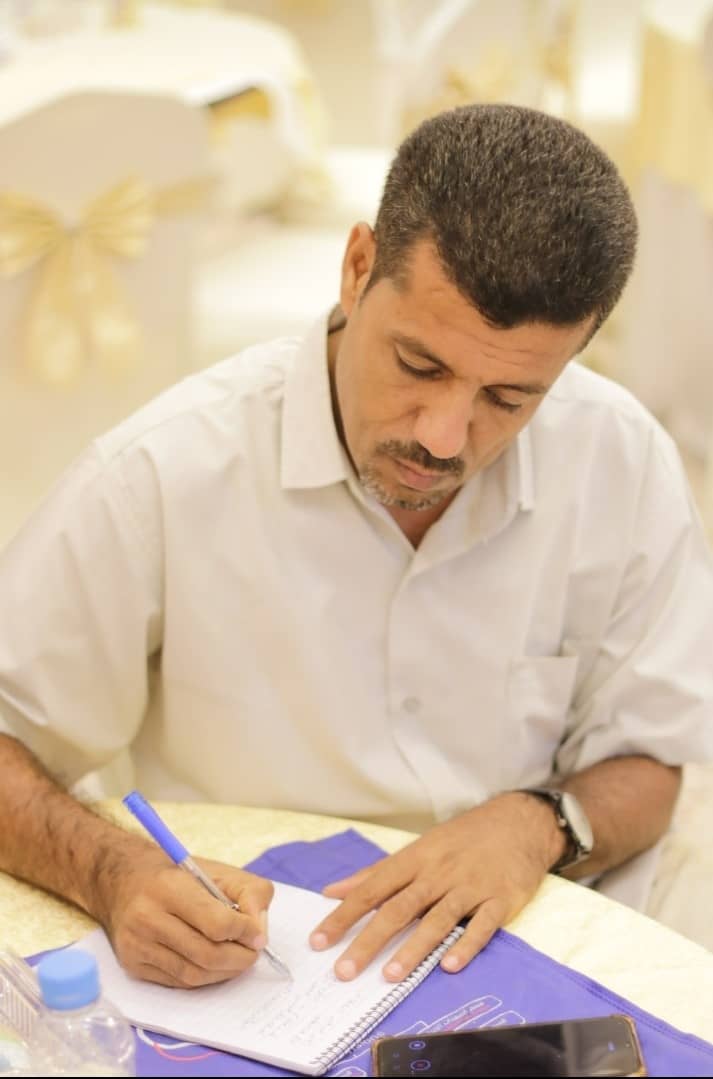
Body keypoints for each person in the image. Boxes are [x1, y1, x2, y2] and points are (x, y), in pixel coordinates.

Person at [0, 104, 712, 993]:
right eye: (418, 365)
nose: (443, 436)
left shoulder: (620, 459)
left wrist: (537, 823)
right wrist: (112, 869)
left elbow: (650, 759)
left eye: (508, 398)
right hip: (249, 965)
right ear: (357, 267)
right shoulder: (165, 470)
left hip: (529, 934)